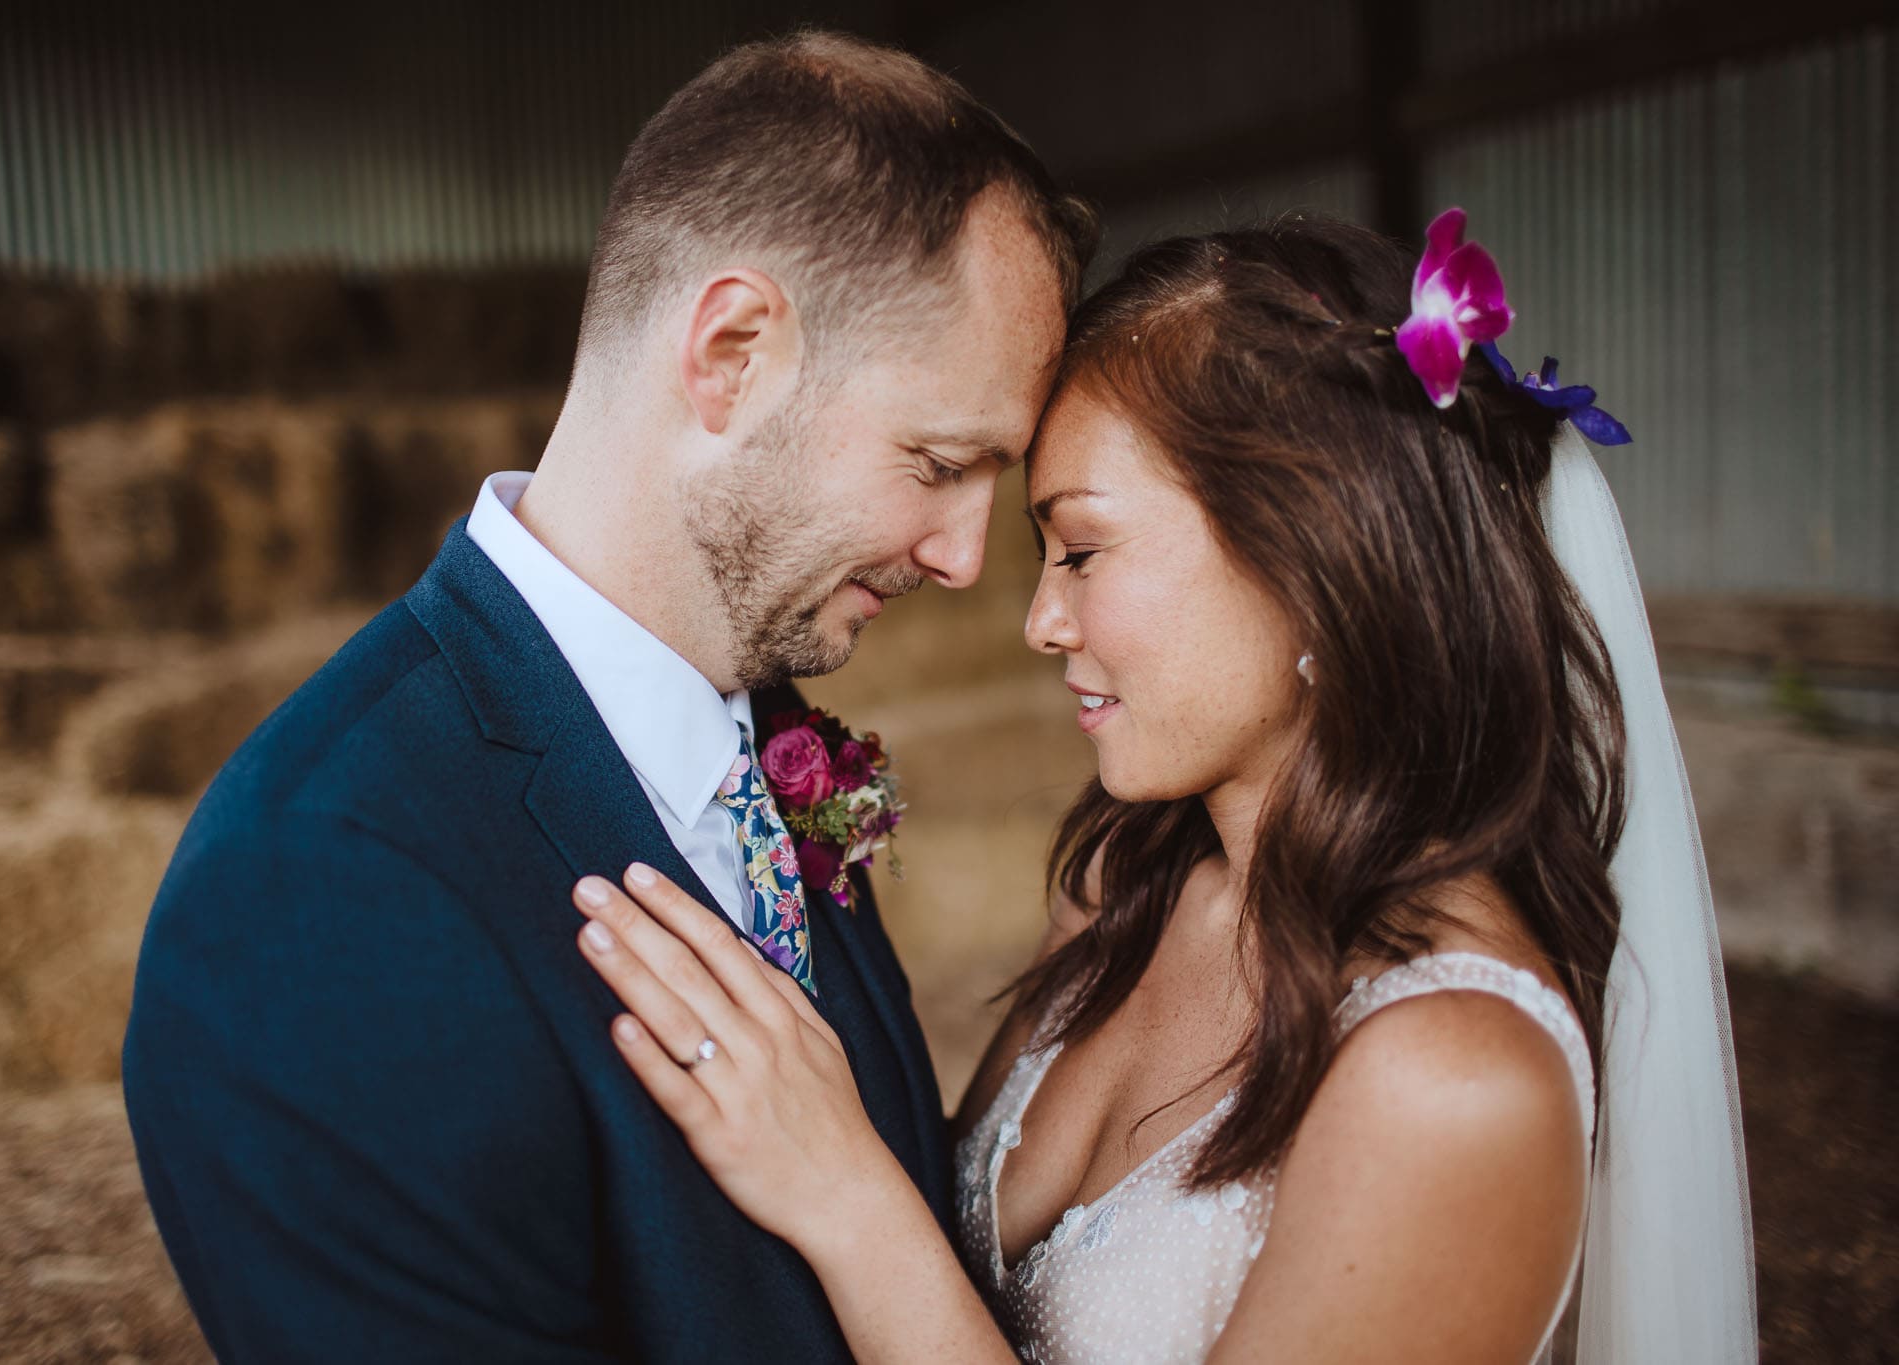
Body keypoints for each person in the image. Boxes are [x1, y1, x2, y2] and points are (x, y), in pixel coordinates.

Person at [570, 212, 1758, 1362]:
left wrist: (845, 1199)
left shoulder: (1450, 1080)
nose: (1040, 620)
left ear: (1312, 562)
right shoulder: (1122, 887)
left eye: (1080, 550)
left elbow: (891, 1241)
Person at [120, 30, 1095, 1363]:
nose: (968, 557)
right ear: (733, 352)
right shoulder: (311, 891)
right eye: (937, 461)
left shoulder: (769, 731)